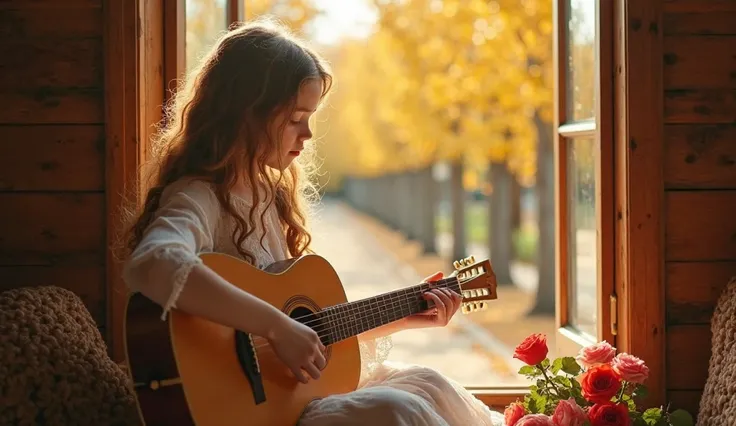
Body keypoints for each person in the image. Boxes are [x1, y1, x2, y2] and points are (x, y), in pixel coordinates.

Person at [120, 18, 504, 426]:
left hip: (290, 398)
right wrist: (276, 326)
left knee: (430, 382)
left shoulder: (269, 197)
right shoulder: (199, 195)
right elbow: (153, 262)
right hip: (251, 416)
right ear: (245, 114)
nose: (307, 134)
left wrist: (407, 316)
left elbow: (306, 340)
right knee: (399, 410)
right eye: (294, 118)